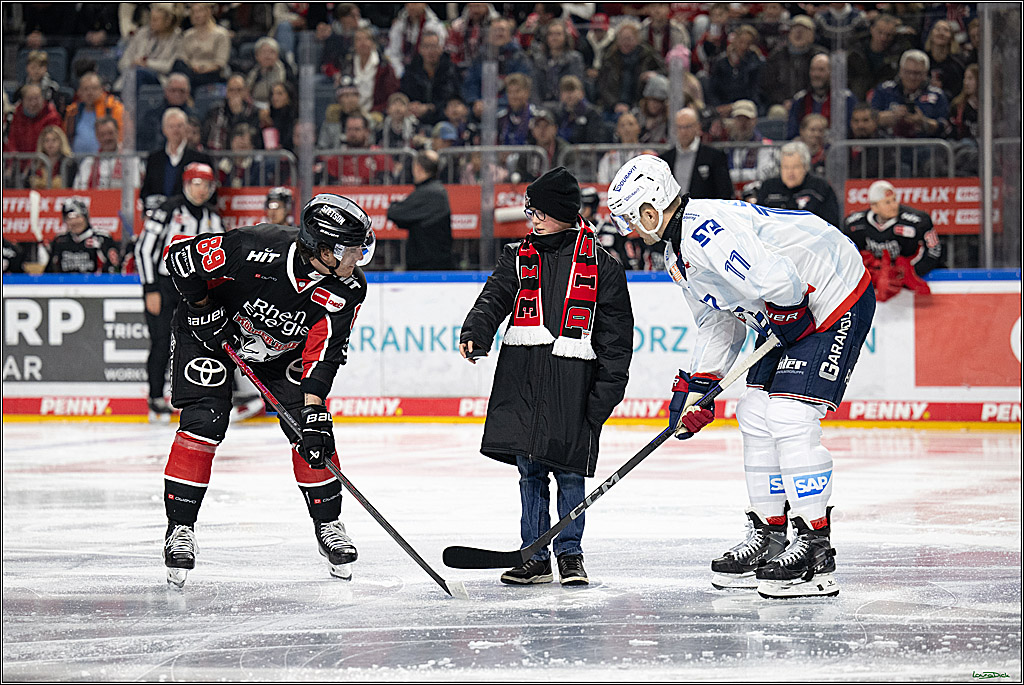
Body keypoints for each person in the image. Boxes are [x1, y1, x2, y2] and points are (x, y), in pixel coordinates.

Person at [606, 154, 875, 599]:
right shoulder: (677, 254)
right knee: (754, 412)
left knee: (790, 417)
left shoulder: (702, 230)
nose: (631, 230)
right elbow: (718, 321)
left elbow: (780, 281)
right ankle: (770, 534)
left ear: (651, 209)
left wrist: (788, 316)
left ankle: (815, 549)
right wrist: (700, 385)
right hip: (787, 303)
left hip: (832, 292)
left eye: (631, 218)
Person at [158, 193, 373, 587]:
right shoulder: (256, 247)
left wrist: (313, 409)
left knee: (311, 432)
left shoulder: (349, 289)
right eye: (352, 250)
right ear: (323, 249)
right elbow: (179, 257)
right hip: (209, 336)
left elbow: (323, 354)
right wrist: (202, 305)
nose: (358, 258)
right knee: (203, 422)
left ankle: (329, 524)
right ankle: (179, 528)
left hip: (280, 352)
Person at [459, 167, 634, 586]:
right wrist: (475, 331)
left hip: (573, 386)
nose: (531, 218)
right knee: (530, 471)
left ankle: (570, 553)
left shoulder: (602, 266)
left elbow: (616, 341)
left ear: (562, 212)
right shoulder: (518, 256)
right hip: (524, 381)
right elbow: (494, 296)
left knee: (569, 471)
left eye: (539, 211)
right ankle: (534, 554)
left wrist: (603, 397)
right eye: (529, 210)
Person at [135, 162, 224, 422]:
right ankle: (155, 396)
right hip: (164, 286)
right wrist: (150, 287)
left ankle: (197, 395)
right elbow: (144, 249)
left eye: (206, 185)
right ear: (186, 184)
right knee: (162, 341)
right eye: (197, 183)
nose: (202, 190)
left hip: (198, 290)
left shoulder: (213, 218)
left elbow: (222, 259)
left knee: (199, 343)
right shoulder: (166, 211)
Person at [843, 180, 942, 302]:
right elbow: (846, 253)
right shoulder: (853, 224)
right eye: (887, 202)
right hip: (873, 283)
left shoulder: (918, 221)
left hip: (907, 282)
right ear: (874, 207)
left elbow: (934, 250)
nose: (894, 205)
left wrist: (913, 271)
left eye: (894, 200)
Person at [386, 151, 453, 270]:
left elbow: (395, 212)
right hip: (433, 260)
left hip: (429, 264)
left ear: (418, 168)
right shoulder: (435, 190)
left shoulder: (430, 192)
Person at [752, 141, 841, 228]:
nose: (790, 172)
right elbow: (758, 222)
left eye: (795, 167)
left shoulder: (821, 188)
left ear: (806, 167)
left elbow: (831, 225)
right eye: (786, 167)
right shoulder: (768, 187)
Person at [140, 108, 214, 209]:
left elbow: (209, 192)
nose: (175, 130)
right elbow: (146, 191)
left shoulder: (200, 158)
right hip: (160, 216)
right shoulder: (154, 159)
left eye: (179, 126)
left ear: (186, 128)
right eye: (171, 126)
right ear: (164, 130)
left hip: (188, 216)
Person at [660, 108, 735, 200]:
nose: (684, 131)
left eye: (688, 127)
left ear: (698, 127)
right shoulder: (665, 159)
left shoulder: (715, 157)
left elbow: (724, 192)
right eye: (680, 127)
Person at [595, 20, 665, 117]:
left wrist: (654, 74)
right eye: (622, 39)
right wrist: (614, 104)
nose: (625, 43)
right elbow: (602, 85)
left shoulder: (647, 55)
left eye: (629, 39)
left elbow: (665, 70)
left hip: (640, 106)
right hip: (612, 107)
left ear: (637, 39)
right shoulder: (609, 58)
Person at [759, 15, 826, 113]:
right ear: (789, 34)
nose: (798, 33)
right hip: (783, 104)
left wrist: (803, 101)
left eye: (803, 30)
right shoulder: (777, 55)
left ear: (812, 35)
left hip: (812, 103)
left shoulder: (819, 56)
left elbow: (823, 84)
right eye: (795, 29)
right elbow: (768, 85)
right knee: (777, 112)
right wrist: (783, 101)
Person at [786, 53, 857, 140]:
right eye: (813, 70)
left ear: (832, 72)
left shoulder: (845, 99)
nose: (816, 74)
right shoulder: (800, 99)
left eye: (821, 70)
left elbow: (849, 131)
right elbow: (792, 132)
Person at [398, 29, 461, 127]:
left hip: (443, 118)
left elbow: (452, 97)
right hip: (415, 118)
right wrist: (412, 105)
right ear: (420, 49)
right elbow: (404, 93)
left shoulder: (450, 70)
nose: (430, 51)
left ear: (441, 48)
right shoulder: (411, 70)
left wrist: (431, 107)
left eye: (434, 46)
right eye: (426, 47)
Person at [116, 3, 183, 91]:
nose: (151, 23)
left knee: (139, 74)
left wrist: (147, 63)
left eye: (155, 20)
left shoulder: (177, 38)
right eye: (150, 19)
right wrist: (133, 63)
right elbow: (122, 63)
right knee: (130, 77)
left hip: (160, 78)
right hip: (132, 75)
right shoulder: (141, 33)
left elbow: (169, 66)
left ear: (167, 21)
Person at [45, 197, 120, 274]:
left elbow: (116, 269)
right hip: (66, 285)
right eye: (69, 218)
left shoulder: (102, 239)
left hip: (96, 285)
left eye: (77, 217)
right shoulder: (60, 241)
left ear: (85, 217)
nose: (74, 222)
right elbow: (49, 272)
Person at [705, 25, 764, 116]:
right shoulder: (721, 62)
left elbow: (754, 92)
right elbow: (712, 89)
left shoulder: (755, 64)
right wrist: (718, 106)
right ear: (735, 40)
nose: (743, 46)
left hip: (746, 107)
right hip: (722, 105)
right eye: (741, 42)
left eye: (748, 43)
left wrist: (735, 106)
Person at [62, 72, 125, 155]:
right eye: (85, 89)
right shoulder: (72, 112)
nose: (89, 93)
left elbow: (121, 137)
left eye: (94, 88)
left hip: (107, 161)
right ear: (79, 92)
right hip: (76, 162)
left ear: (102, 90)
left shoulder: (114, 108)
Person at [175, 2, 231, 88]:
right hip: (190, 70)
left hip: (211, 73)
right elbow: (183, 58)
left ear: (208, 12)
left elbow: (220, 62)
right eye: (193, 12)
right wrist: (192, 67)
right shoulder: (187, 35)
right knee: (178, 66)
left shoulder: (221, 34)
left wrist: (203, 68)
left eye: (199, 11)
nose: (196, 15)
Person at [530, 19, 585, 106]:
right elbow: (535, 88)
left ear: (565, 37)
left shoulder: (575, 59)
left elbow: (576, 86)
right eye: (551, 34)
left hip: (567, 105)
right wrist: (538, 108)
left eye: (558, 34)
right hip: (543, 105)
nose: (554, 37)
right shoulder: (538, 61)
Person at [201, 75, 262, 152]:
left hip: (246, 155)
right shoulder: (215, 111)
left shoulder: (254, 112)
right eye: (231, 90)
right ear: (226, 92)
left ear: (245, 92)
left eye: (239, 90)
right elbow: (205, 136)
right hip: (219, 154)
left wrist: (238, 115)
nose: (235, 94)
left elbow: (254, 138)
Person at [385, 3, 447, 79]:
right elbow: (393, 52)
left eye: (416, 3)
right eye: (409, 3)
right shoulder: (399, 25)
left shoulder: (435, 26)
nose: (412, 6)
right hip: (402, 71)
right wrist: (400, 72)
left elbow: (440, 52)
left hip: (427, 71)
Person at [5, 84, 63, 155]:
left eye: (36, 99)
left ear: (42, 98)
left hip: (43, 162)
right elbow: (11, 142)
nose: (33, 103)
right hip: (20, 163)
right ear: (23, 100)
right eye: (29, 99)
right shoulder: (15, 116)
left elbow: (55, 144)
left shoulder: (52, 117)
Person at [73, 117, 125, 190]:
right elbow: (79, 189)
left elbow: (136, 186)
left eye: (110, 133)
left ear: (117, 132)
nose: (107, 138)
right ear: (97, 136)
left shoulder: (129, 159)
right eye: (102, 134)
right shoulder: (89, 162)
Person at [31, 125, 77, 189]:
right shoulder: (36, 162)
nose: (50, 144)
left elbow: (70, 185)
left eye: (54, 140)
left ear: (61, 142)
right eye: (47, 140)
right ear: (42, 143)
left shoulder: (69, 163)